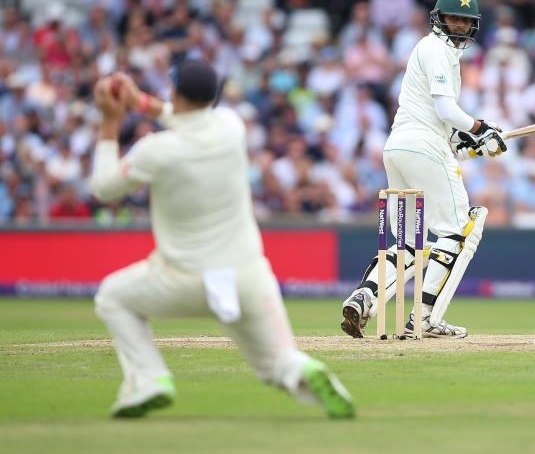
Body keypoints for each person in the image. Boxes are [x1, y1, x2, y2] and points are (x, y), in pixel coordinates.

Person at [90, 60, 354, 419]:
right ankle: (304, 370)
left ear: (174, 93)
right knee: (277, 362)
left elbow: (103, 188)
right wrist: (140, 102)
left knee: (113, 296)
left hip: (183, 281)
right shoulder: (231, 126)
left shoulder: (156, 149)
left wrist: (110, 119)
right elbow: (187, 118)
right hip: (248, 276)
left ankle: (150, 380)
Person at [340, 0, 507, 339]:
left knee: (407, 245)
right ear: (439, 19)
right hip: (423, 147)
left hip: (399, 145)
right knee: (457, 231)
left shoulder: (428, 50)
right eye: (454, 18)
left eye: (465, 20)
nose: (460, 25)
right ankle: (425, 318)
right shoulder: (437, 49)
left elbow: (440, 120)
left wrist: (467, 138)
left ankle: (364, 296)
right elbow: (447, 111)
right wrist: (481, 128)